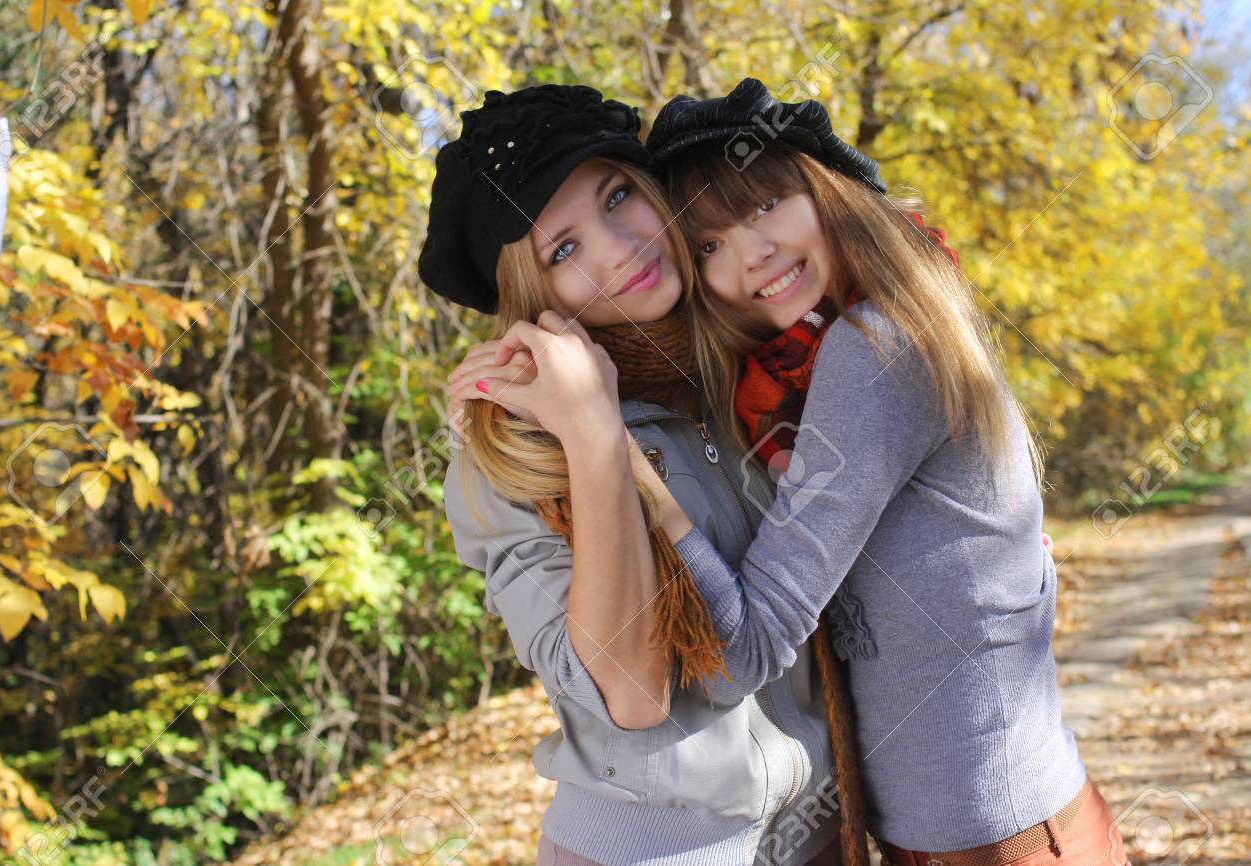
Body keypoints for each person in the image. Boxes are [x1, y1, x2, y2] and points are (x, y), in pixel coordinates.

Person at [619, 78, 1129, 866]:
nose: (751, 255)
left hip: (1000, 841)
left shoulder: (870, 351)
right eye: (709, 246)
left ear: (826, 192)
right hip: (983, 826)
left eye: (766, 205)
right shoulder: (872, 334)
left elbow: (744, 649)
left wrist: (630, 473)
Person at [425, 84, 855, 866]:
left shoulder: (752, 361)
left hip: (827, 831)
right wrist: (594, 436)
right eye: (563, 250)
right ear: (533, 293)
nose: (619, 248)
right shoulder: (513, 447)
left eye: (618, 196)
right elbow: (630, 691)